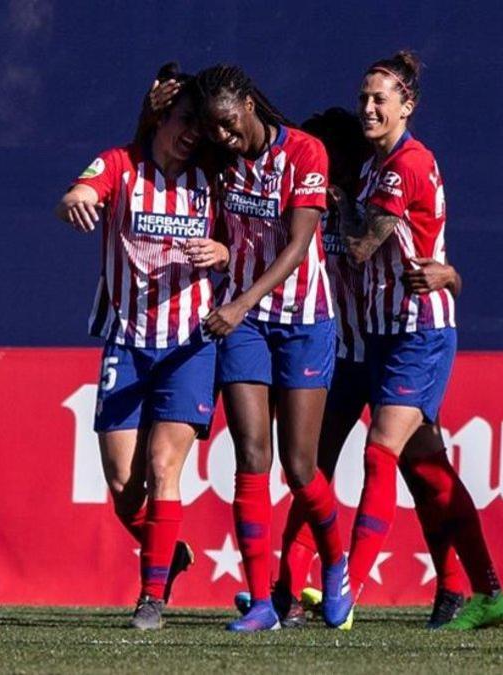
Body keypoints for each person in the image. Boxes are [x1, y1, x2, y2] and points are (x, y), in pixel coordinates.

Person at [276, 108, 500, 630]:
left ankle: (434, 588)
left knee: (410, 466)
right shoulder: (309, 201)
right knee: (316, 470)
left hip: (392, 341)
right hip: (344, 354)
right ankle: (286, 594)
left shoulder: (371, 193)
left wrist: (452, 278)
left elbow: (416, 250)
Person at [328, 50, 503, 631]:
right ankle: (477, 591)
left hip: (419, 329)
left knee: (379, 451)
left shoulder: (407, 164)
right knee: (427, 472)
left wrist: (329, 203)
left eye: (380, 98)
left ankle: (345, 591)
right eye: (363, 97)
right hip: (382, 333)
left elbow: (359, 247)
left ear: (408, 105)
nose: (369, 107)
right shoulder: (370, 168)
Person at [53, 64, 230, 630]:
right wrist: (76, 198)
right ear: (157, 117)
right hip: (127, 344)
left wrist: (222, 254)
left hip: (189, 345)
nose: (190, 135)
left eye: (198, 127)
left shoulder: (214, 181)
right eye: (181, 122)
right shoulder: (120, 165)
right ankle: (166, 550)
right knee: (125, 490)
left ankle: (151, 598)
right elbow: (77, 192)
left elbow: (239, 243)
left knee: (164, 467)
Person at [189, 64, 351, 633]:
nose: (224, 138)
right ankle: (262, 602)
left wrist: (236, 303)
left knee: (301, 467)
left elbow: (298, 243)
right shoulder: (220, 162)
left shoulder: (306, 153)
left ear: (251, 106)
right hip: (248, 327)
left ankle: (336, 562)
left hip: (304, 321)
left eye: (230, 125)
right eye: (214, 130)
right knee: (251, 460)